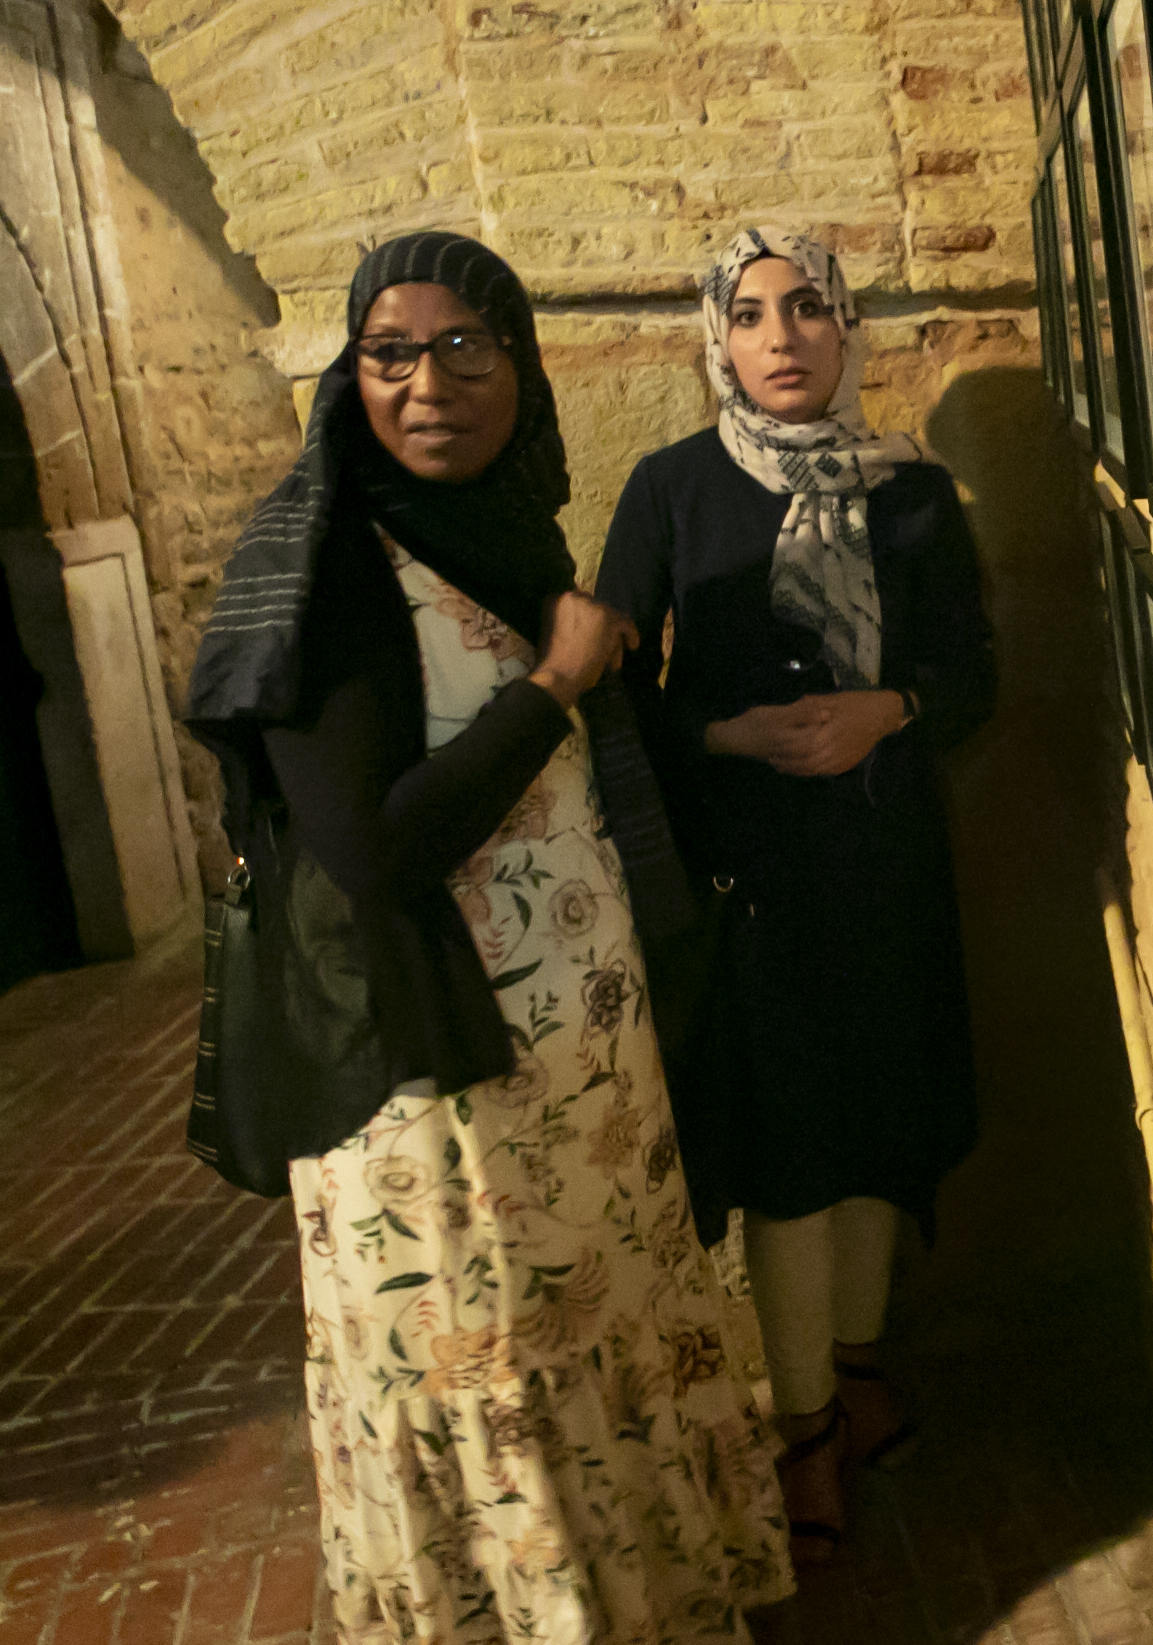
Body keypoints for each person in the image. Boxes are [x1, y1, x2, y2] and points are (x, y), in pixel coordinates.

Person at [183, 232, 792, 1643]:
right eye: (390, 351)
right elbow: (375, 846)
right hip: (436, 1089)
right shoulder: (324, 564)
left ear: (520, 366)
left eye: (467, 344)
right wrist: (562, 682)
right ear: (352, 375)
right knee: (497, 1372)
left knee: (601, 1339)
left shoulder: (507, 539)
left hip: (575, 1071)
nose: (428, 381)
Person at [595, 226, 996, 1562]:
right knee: (791, 1157)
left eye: (810, 308)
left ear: (848, 331)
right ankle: (807, 1419)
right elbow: (608, 688)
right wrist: (723, 737)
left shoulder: (917, 495)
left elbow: (974, 677)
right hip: (749, 880)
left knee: (886, 1120)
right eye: (754, 314)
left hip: (886, 866)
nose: (783, 337)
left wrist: (896, 705)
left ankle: (865, 1358)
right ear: (717, 338)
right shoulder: (670, 491)